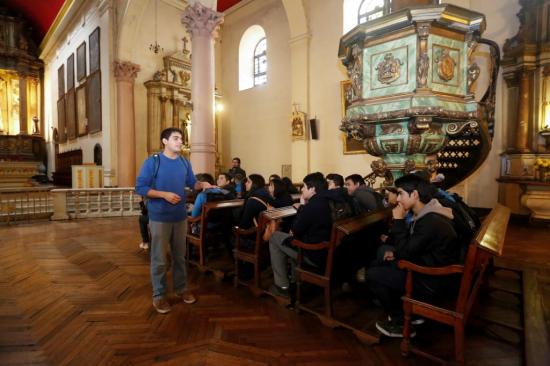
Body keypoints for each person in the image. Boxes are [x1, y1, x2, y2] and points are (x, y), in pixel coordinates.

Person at [367, 174, 459, 338]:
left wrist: (399, 220)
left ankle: (400, 322)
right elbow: (413, 246)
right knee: (380, 261)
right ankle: (408, 312)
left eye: (401, 193)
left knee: (373, 274)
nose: (398, 199)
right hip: (430, 267)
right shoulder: (429, 212)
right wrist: (395, 252)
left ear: (415, 194)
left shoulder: (431, 221)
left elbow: (405, 254)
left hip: (433, 280)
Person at [135, 127, 212, 314]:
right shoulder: (153, 162)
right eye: (176, 138)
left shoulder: (185, 163)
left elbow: (191, 183)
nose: (180, 141)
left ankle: (181, 288)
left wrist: (201, 184)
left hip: (180, 217)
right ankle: (159, 295)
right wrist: (164, 195)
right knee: (159, 258)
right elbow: (140, 187)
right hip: (160, 216)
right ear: (165, 141)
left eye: (181, 138)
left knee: (179, 256)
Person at [268, 172, 332, 297]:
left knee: (275, 237)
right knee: (286, 239)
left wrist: (302, 206)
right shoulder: (326, 200)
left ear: (312, 188)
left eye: (303, 186)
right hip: (326, 251)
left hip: (313, 254)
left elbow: (295, 230)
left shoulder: (313, 205)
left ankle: (282, 286)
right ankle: (293, 279)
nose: (301, 189)